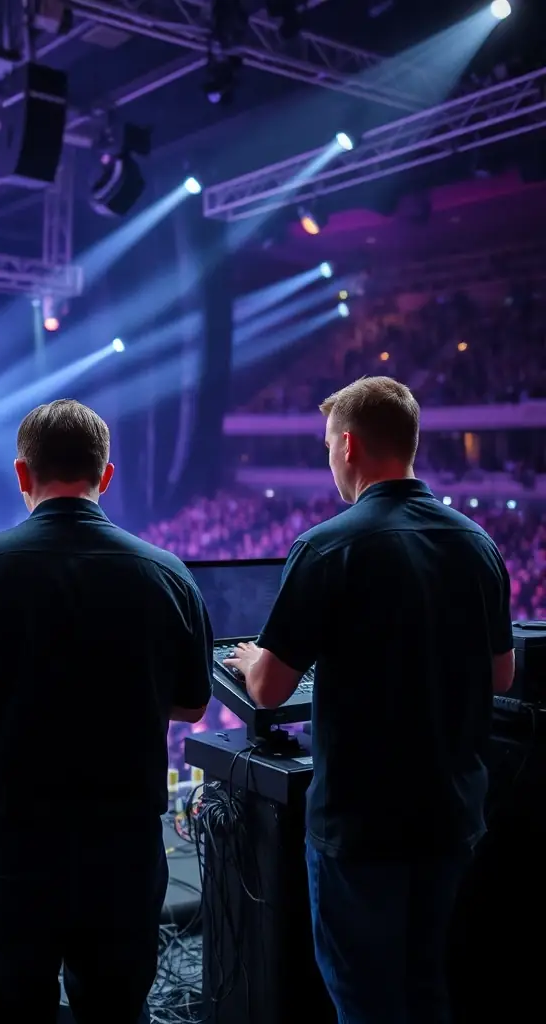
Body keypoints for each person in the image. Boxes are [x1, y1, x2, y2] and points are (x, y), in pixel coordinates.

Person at [0, 399, 213, 1024]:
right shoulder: (167, 574)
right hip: (123, 845)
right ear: (106, 475)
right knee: (116, 1011)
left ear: (21, 473)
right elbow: (195, 703)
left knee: (9, 1012)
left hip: (9, 844)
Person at [225, 376, 514, 1024]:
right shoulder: (477, 542)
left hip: (363, 827)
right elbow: (502, 676)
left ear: (348, 445)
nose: (329, 460)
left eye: (328, 445)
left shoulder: (328, 546)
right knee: (426, 986)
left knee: (364, 1000)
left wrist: (250, 662)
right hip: (452, 817)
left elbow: (270, 689)